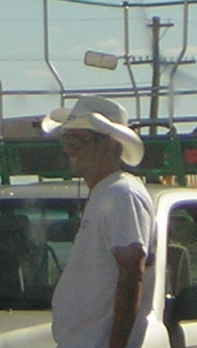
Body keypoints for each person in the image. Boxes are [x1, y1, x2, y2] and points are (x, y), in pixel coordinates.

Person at [44, 95, 153, 348]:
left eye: (75, 141)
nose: (68, 150)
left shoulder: (122, 194)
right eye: (65, 140)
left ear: (108, 144)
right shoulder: (107, 193)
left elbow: (131, 273)